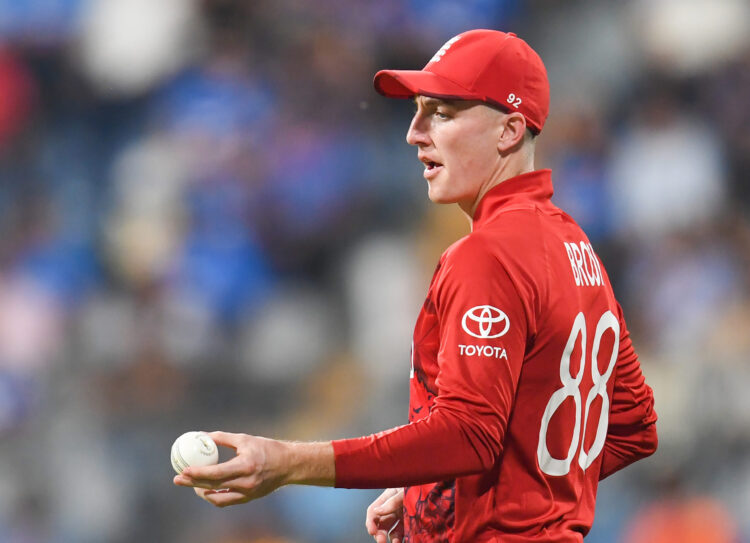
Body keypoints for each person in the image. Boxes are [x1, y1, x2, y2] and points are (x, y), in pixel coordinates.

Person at [174, 29, 658, 542]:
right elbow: (634, 427)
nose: (414, 133)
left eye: (442, 113)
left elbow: (469, 434)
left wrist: (289, 462)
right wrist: (443, 491)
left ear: (510, 131)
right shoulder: (574, 244)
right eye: (418, 111)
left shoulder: (488, 255)